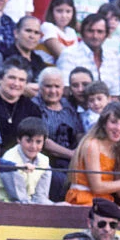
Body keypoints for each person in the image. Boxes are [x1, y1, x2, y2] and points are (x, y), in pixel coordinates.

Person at [65, 101, 120, 206]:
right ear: (103, 123)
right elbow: (97, 187)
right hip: (83, 199)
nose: (118, 128)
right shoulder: (92, 145)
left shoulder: (119, 148)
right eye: (113, 122)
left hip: (105, 201)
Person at [34, 66, 82, 202]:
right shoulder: (35, 106)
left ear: (63, 88)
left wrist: (80, 150)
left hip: (71, 159)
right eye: (48, 86)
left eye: (57, 86)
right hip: (47, 160)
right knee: (60, 179)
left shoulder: (68, 106)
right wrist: (72, 154)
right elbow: (43, 141)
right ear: (40, 87)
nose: (53, 91)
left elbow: (78, 132)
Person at [56, 13, 120, 98]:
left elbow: (114, 95)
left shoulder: (111, 57)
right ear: (82, 33)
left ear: (106, 35)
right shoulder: (69, 54)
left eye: (100, 32)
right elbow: (65, 91)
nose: (95, 36)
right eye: (90, 31)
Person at [0, 57, 43, 152]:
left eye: (21, 80)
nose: (16, 83)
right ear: (0, 79)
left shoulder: (32, 108)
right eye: (12, 78)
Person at [0, 116, 52, 204]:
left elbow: (41, 198)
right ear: (19, 140)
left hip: (29, 205)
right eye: (29, 141)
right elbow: (19, 199)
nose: (33, 146)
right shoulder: (10, 160)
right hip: (7, 206)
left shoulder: (44, 161)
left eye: (38, 142)